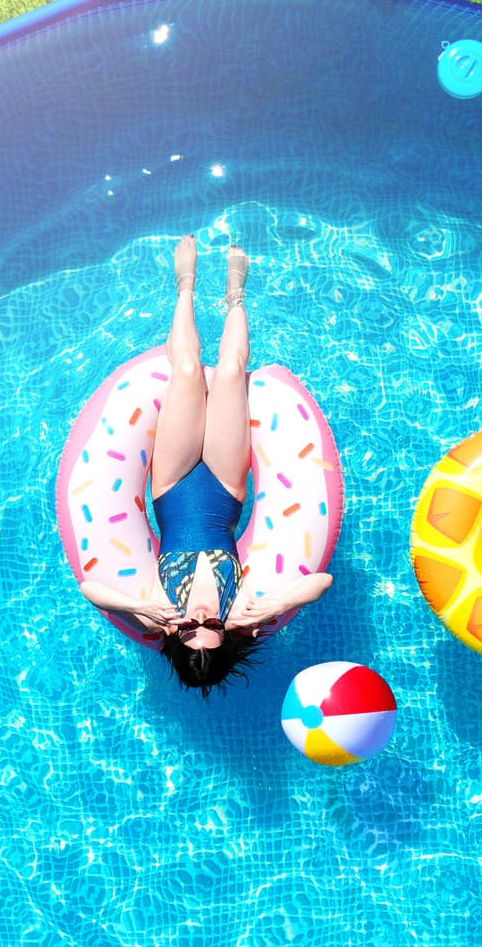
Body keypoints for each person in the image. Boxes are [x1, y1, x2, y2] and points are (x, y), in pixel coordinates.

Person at [78, 235, 333, 695]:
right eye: (209, 625)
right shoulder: (247, 612)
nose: (197, 619)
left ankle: (186, 285)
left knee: (190, 371)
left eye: (188, 630)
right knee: (233, 372)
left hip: (172, 486)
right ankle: (237, 292)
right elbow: (321, 581)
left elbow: (90, 590)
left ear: (174, 639)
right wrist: (266, 609)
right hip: (223, 488)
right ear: (226, 637)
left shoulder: (155, 612)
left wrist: (148, 613)